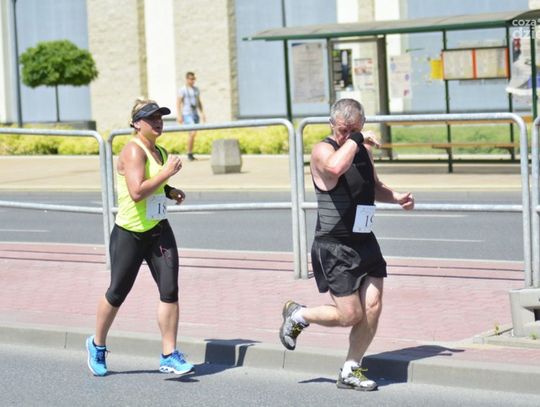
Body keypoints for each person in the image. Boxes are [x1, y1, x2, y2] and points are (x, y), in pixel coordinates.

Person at [279, 98, 414, 391]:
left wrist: (397, 197)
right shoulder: (323, 150)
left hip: (364, 240)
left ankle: (351, 368)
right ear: (332, 125)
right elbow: (337, 168)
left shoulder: (362, 150)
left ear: (362, 125)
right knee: (350, 315)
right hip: (334, 245)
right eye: (343, 130)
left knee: (373, 306)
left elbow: (373, 187)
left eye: (354, 130)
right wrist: (355, 139)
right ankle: (298, 315)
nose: (347, 136)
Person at [86, 98, 193, 377]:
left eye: (160, 117)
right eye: (151, 118)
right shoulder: (134, 150)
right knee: (117, 293)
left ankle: (169, 354)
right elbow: (136, 191)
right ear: (136, 124)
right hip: (130, 234)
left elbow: (154, 183)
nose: (158, 122)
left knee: (169, 290)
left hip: (158, 230)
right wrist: (167, 173)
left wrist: (169, 190)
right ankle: (97, 344)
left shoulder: (160, 151)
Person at [176, 71, 206, 161]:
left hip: (195, 114)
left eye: (194, 79)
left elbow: (199, 102)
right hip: (187, 114)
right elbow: (178, 103)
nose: (192, 81)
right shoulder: (183, 90)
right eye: (191, 79)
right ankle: (189, 153)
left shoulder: (196, 89)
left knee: (193, 134)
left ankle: (190, 153)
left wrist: (202, 113)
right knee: (192, 132)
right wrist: (179, 115)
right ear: (187, 79)